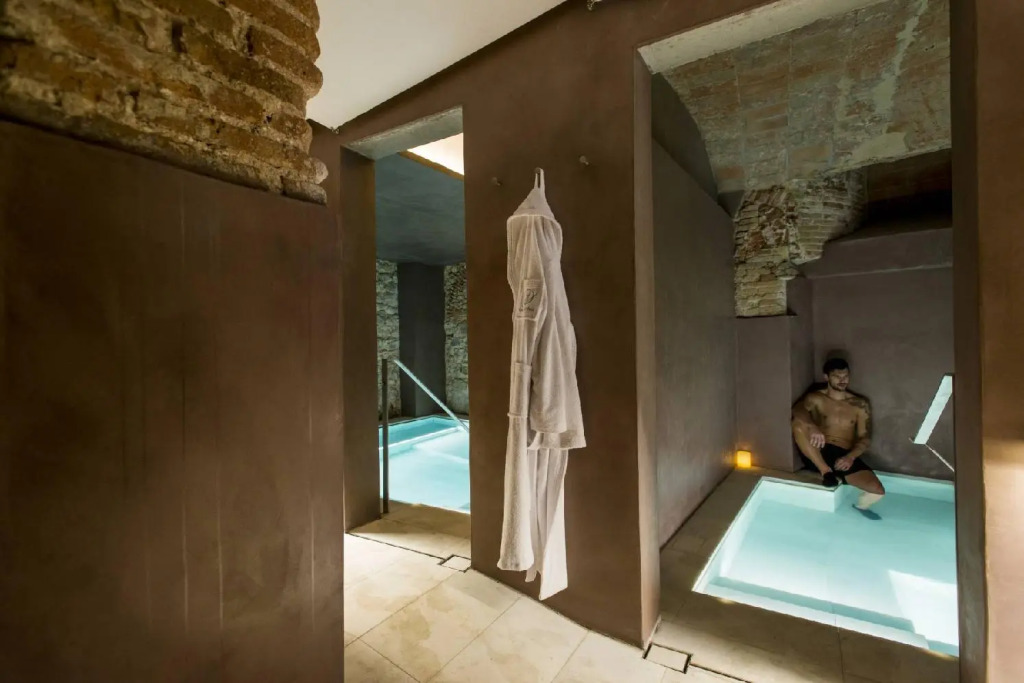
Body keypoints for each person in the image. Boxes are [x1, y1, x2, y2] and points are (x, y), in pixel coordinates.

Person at [792, 358, 886, 520]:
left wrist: (851, 457)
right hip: (817, 449)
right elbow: (797, 410)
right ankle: (825, 471)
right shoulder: (816, 398)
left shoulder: (860, 404)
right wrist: (812, 426)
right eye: (837, 376)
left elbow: (865, 438)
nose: (843, 380)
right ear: (826, 377)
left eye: (846, 376)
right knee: (797, 424)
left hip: (843, 455)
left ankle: (860, 506)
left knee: (877, 490)